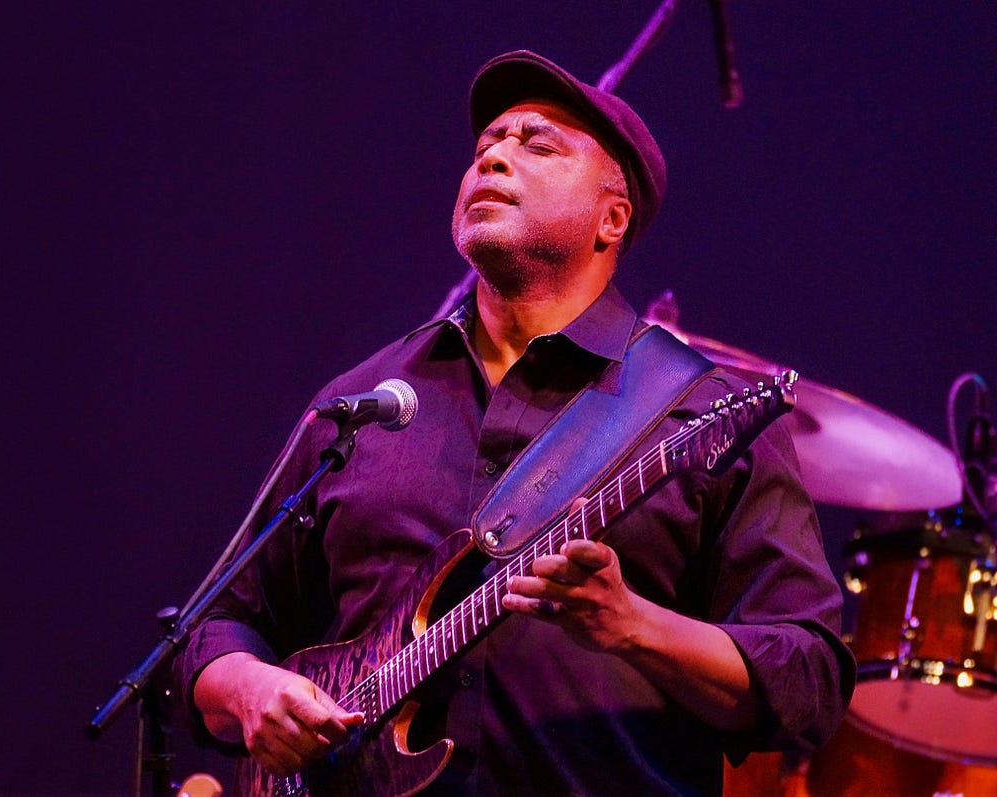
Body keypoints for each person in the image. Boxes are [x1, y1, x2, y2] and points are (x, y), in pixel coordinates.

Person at [175, 50, 855, 796]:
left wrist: (634, 624)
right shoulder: (366, 400)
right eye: (485, 146)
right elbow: (216, 627)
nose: (495, 155)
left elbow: (809, 681)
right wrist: (245, 688)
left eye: (537, 144)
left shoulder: (698, 414)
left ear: (612, 217)